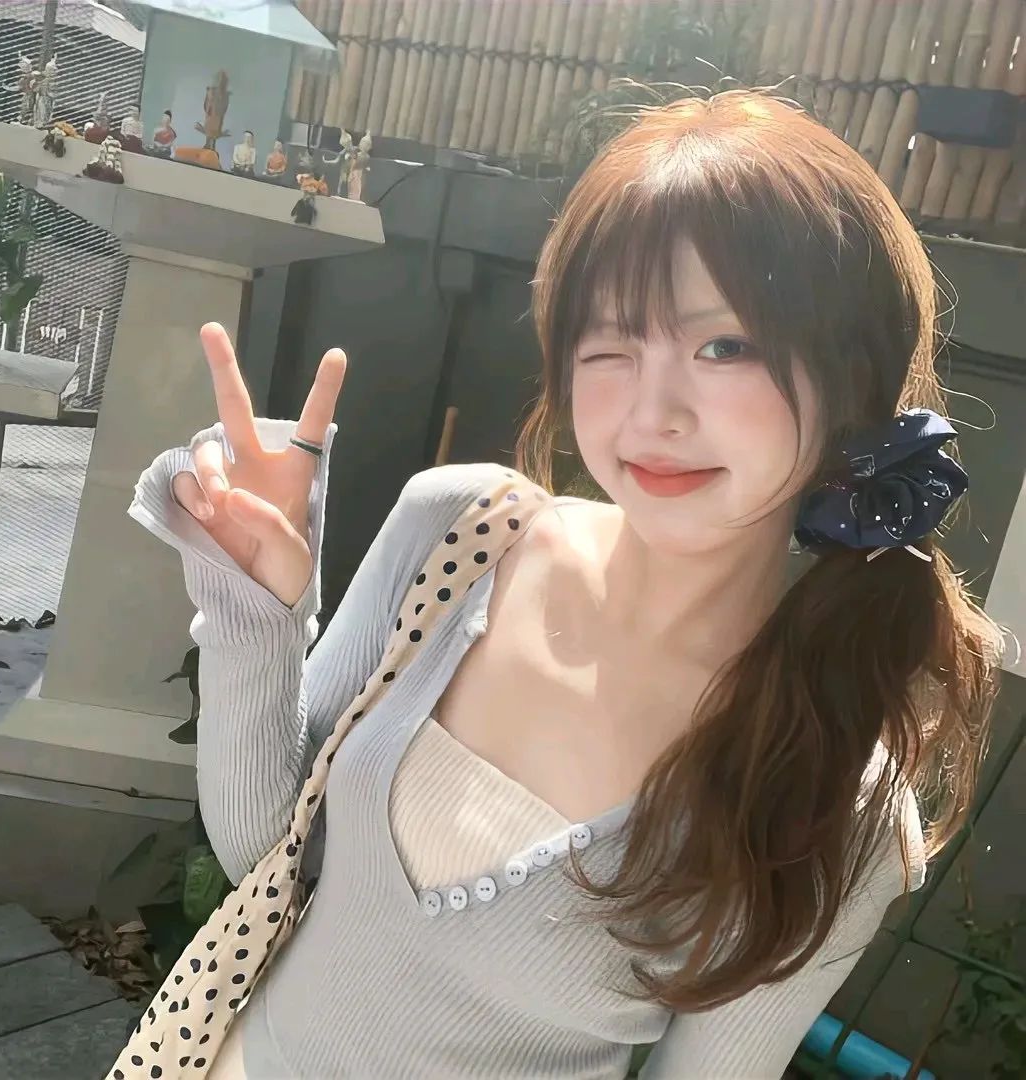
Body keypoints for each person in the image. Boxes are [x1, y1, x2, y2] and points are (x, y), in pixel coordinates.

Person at [128, 92, 1001, 1078]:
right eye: (612, 343)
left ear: (851, 377)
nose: (653, 411)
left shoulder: (832, 791)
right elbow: (265, 850)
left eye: (725, 345)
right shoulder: (459, 533)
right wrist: (258, 604)